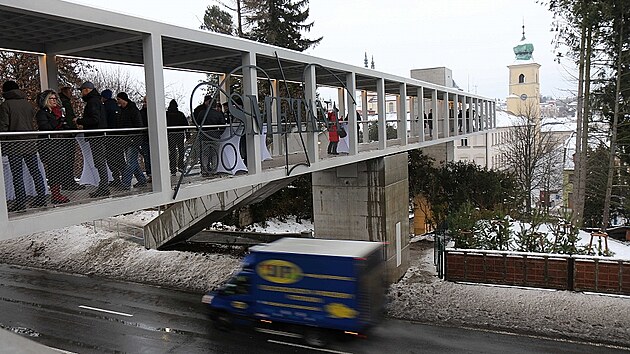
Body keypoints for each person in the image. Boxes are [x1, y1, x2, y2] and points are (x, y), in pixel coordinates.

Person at [0, 80, 47, 211]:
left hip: (13, 145)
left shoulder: (5, 105)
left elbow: (3, 127)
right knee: (35, 172)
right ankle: (42, 198)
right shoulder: (28, 105)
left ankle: (20, 203)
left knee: (17, 175)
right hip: (30, 144)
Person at [75, 81, 110, 198]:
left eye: (81, 90)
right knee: (99, 162)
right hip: (98, 136)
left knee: (99, 162)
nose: (81, 93)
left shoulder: (92, 102)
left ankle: (104, 187)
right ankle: (103, 186)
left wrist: (80, 121)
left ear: (86, 90)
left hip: (96, 136)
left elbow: (94, 119)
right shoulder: (97, 100)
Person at [35, 90, 69, 204]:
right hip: (49, 146)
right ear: (46, 101)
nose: (54, 101)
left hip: (59, 144)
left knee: (59, 169)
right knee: (54, 169)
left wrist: (65, 124)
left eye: (55, 99)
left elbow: (62, 126)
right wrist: (58, 121)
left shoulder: (58, 112)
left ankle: (57, 193)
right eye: (52, 99)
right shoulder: (42, 113)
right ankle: (55, 194)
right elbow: (45, 128)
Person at [116, 92, 147, 189]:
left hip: (133, 140)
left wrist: (135, 138)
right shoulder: (122, 111)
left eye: (119, 99)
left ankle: (125, 183)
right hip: (126, 140)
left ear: (123, 99)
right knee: (133, 161)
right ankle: (142, 180)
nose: (118, 101)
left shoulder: (133, 110)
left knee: (130, 162)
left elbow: (138, 124)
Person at [58, 86, 84, 191]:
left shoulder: (62, 102)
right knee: (68, 159)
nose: (71, 94)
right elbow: (68, 117)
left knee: (67, 159)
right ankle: (68, 182)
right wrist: (74, 127)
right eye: (70, 92)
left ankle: (67, 182)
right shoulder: (65, 103)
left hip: (66, 134)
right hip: (67, 135)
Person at [193, 95, 225, 176]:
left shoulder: (202, 113)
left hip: (204, 136)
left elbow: (197, 123)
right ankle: (214, 170)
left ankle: (204, 170)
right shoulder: (218, 114)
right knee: (215, 154)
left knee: (205, 154)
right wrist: (219, 133)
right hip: (215, 136)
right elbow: (223, 125)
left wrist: (200, 132)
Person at [101, 89, 125, 187]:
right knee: (119, 158)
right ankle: (125, 178)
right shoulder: (118, 107)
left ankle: (116, 179)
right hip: (118, 136)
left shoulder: (104, 108)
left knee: (111, 158)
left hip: (109, 137)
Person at [166, 99, 189, 175]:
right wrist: (187, 134)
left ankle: (172, 169)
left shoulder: (166, 114)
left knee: (172, 152)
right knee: (181, 150)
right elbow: (186, 125)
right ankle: (181, 166)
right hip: (180, 134)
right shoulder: (180, 114)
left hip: (170, 134)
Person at [138, 96, 151, 182]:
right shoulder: (141, 113)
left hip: (150, 137)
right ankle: (150, 173)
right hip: (145, 137)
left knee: (149, 156)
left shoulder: (151, 112)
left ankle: (152, 173)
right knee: (147, 156)